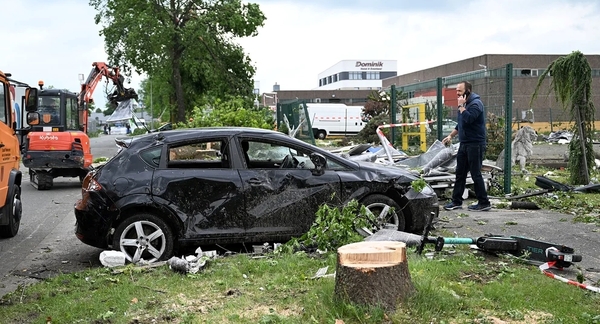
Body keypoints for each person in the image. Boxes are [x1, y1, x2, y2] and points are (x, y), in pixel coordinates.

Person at [441, 81, 491, 211]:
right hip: (464, 143)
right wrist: (451, 136)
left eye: (460, 91)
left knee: (475, 173)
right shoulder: (462, 105)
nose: (457, 93)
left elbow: (469, 119)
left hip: (475, 144)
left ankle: (484, 202)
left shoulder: (476, 104)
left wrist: (462, 107)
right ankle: (456, 201)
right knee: (460, 173)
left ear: (468, 91)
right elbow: (461, 123)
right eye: (456, 91)